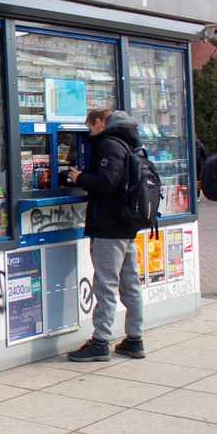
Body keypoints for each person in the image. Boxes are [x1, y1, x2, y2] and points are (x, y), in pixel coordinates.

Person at [64, 109, 145, 362]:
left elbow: (108, 183)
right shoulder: (130, 142)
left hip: (109, 226)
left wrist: (81, 177)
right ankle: (134, 339)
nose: (90, 133)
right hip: (126, 225)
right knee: (130, 284)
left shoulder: (109, 143)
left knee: (106, 285)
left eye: (90, 128)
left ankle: (100, 341)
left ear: (100, 122)